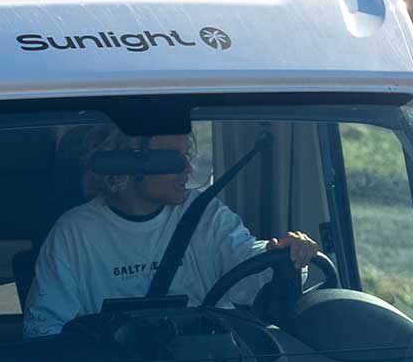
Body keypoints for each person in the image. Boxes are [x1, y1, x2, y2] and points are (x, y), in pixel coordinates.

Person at [23, 128, 316, 338]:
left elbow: (247, 273)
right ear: (127, 162)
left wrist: (285, 254)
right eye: (173, 159)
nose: (187, 169)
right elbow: (45, 330)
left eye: (186, 156)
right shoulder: (75, 232)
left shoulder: (204, 213)